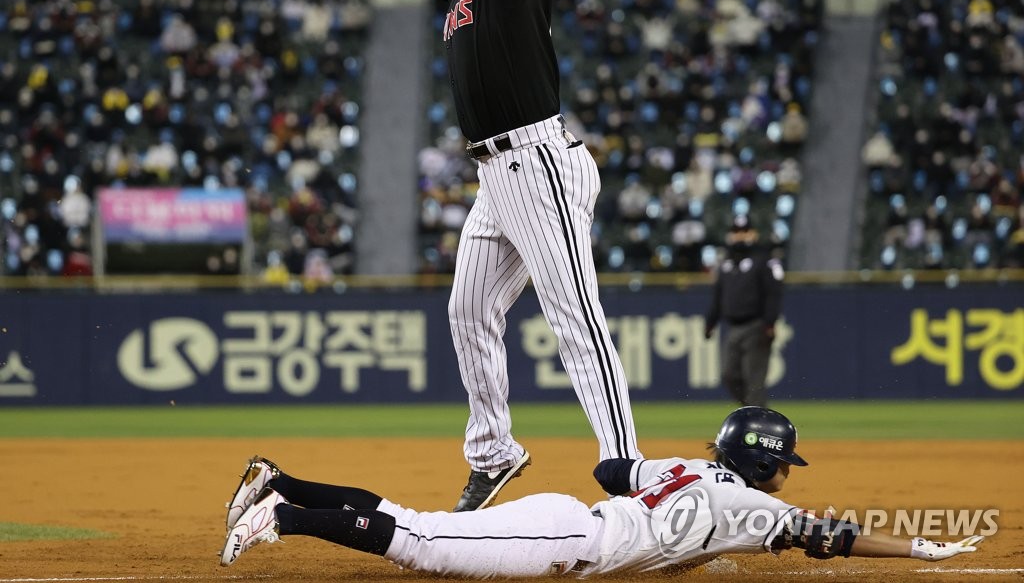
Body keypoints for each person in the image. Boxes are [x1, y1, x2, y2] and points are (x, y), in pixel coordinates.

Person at [316, 0, 642, 513]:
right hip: (498, 172)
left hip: (540, 160)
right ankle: (494, 452)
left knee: (574, 313)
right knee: (468, 310)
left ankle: (625, 461)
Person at [220, 407, 985, 575]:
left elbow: (611, 472)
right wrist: (918, 545)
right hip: (569, 541)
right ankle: (282, 513)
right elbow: (833, 537)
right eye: (787, 462)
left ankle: (280, 478)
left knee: (415, 521)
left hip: (572, 515)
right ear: (764, 464)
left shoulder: (689, 468)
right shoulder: (756, 506)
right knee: (420, 544)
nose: (791, 473)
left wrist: (688, 538)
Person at [704, 215, 784, 406]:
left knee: (754, 380)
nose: (740, 236)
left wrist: (770, 322)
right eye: (736, 232)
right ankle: (752, 412)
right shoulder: (725, 264)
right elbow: (718, 297)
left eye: (744, 231)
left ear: (753, 234)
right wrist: (710, 322)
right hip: (733, 328)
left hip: (756, 326)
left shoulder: (764, 261)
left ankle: (758, 422)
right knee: (729, 375)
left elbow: (773, 294)